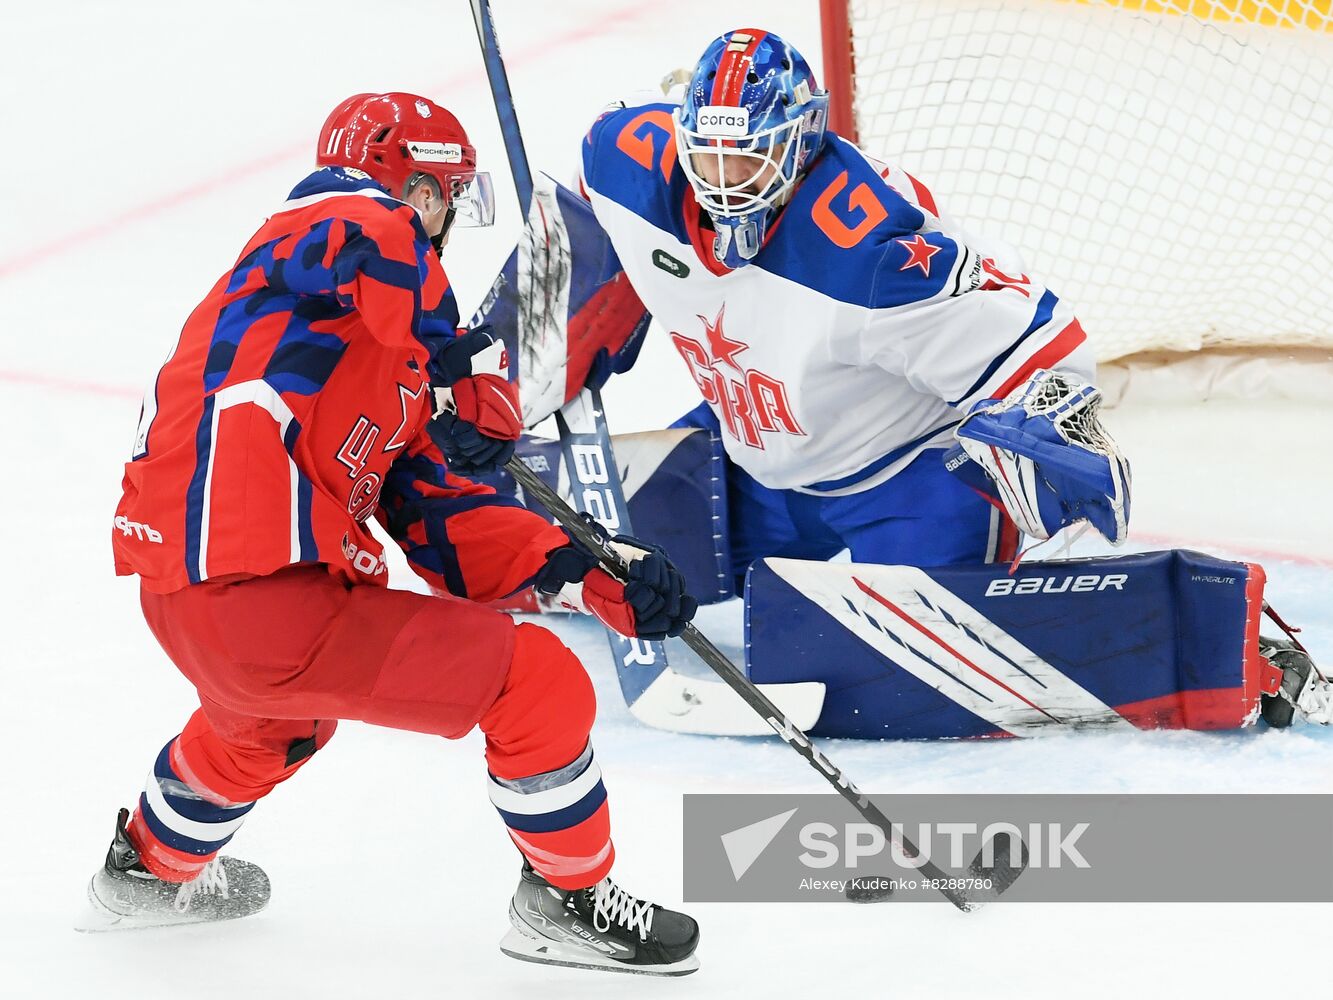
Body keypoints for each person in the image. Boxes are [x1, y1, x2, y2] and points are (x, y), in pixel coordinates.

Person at [89, 92, 700, 977]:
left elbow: (441, 519)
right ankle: (566, 903)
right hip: (254, 588)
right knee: (535, 681)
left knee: (268, 728)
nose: (446, 219)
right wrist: (456, 357)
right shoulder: (325, 234)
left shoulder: (368, 341)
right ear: (411, 187)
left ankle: (148, 873)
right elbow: (360, 224)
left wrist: (588, 569)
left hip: (206, 603)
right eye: (442, 195)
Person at [576, 28, 1130, 597]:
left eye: (749, 159)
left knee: (903, 672)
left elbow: (1034, 338)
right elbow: (578, 234)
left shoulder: (865, 248)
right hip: (755, 454)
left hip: (904, 481)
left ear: (804, 138)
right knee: (600, 563)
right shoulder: (625, 163)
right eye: (710, 159)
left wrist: (1057, 430)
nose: (726, 184)